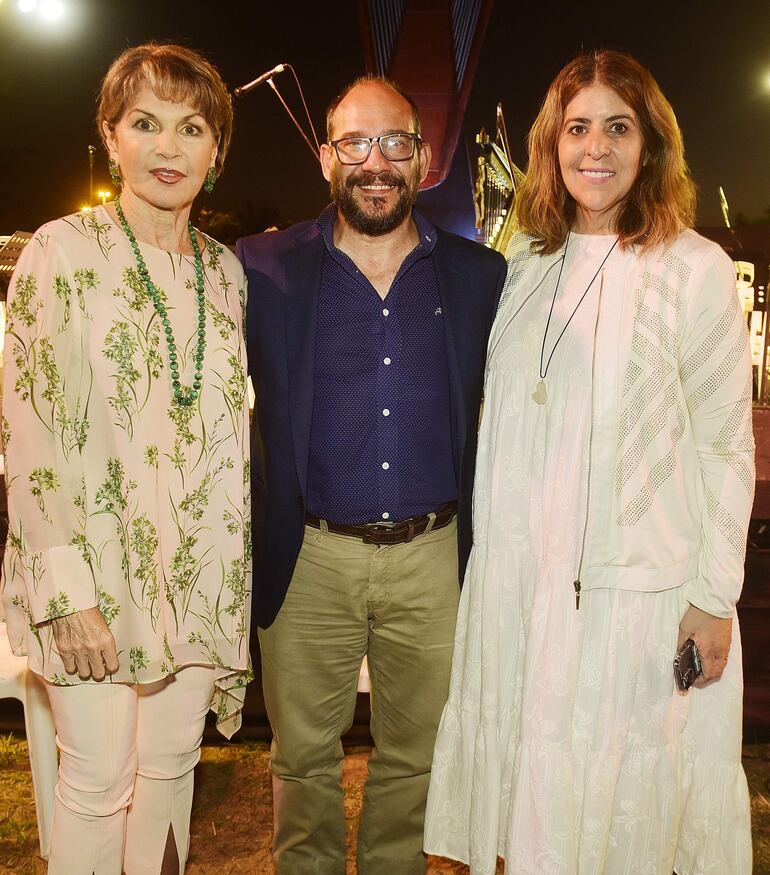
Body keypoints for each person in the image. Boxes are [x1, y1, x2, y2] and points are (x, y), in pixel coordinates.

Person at [424, 50, 754, 874]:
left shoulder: (693, 268)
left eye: (618, 126)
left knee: (623, 821)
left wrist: (713, 599)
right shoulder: (528, 267)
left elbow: (724, 443)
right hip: (523, 596)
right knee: (538, 819)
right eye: (577, 128)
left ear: (651, 146)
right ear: (552, 144)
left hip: (633, 601)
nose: (596, 147)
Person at [237, 75, 506, 874]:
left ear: (423, 160)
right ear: (327, 157)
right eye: (356, 142)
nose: (376, 161)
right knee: (302, 762)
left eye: (395, 143)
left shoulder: (478, 276)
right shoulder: (262, 268)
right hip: (309, 554)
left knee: (416, 760)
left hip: (433, 555)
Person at [1, 43, 251, 873]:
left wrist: (227, 582)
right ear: (111, 136)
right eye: (145, 123)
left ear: (217, 151)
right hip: (96, 578)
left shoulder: (226, 274)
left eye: (192, 128)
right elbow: (30, 433)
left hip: (196, 574)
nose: (169, 148)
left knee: (170, 773)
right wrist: (64, 590)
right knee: (98, 783)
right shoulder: (58, 253)